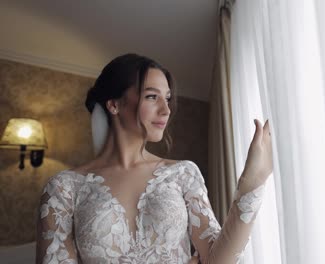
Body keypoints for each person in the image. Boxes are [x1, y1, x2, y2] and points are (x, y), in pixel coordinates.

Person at [35, 53, 273, 264]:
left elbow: (218, 260)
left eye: (167, 98)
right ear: (114, 104)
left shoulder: (183, 174)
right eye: (152, 97)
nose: (166, 110)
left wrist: (252, 183)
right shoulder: (64, 188)